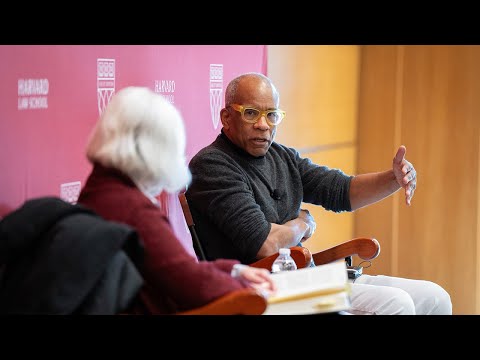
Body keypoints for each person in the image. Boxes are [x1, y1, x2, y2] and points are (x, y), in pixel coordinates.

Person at [186, 72, 452, 315]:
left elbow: (341, 191)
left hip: (304, 278)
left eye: (271, 115)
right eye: (252, 113)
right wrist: (303, 223)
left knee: (435, 297)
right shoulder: (212, 165)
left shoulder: (281, 156)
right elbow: (265, 244)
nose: (263, 125)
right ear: (226, 117)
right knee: (398, 304)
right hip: (261, 293)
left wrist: (393, 179)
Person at [77, 86, 276, 315]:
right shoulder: (133, 209)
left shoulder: (98, 192)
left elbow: (174, 268)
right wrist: (251, 289)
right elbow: (189, 285)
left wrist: (233, 270)